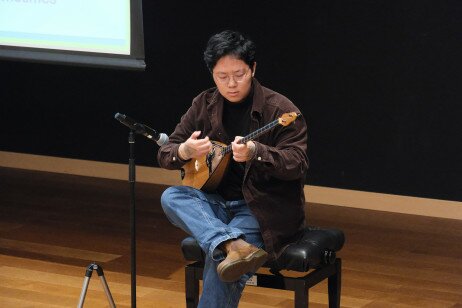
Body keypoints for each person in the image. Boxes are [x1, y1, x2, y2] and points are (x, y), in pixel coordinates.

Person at [158, 30, 308, 307]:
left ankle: (225, 246)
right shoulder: (204, 103)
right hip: (216, 203)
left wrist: (256, 152)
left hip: (260, 208)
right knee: (172, 196)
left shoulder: (280, 109)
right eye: (222, 77)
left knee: (223, 266)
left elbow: (297, 163)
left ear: (252, 68)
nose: (231, 84)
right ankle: (230, 243)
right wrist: (184, 151)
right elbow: (166, 153)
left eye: (239, 74)